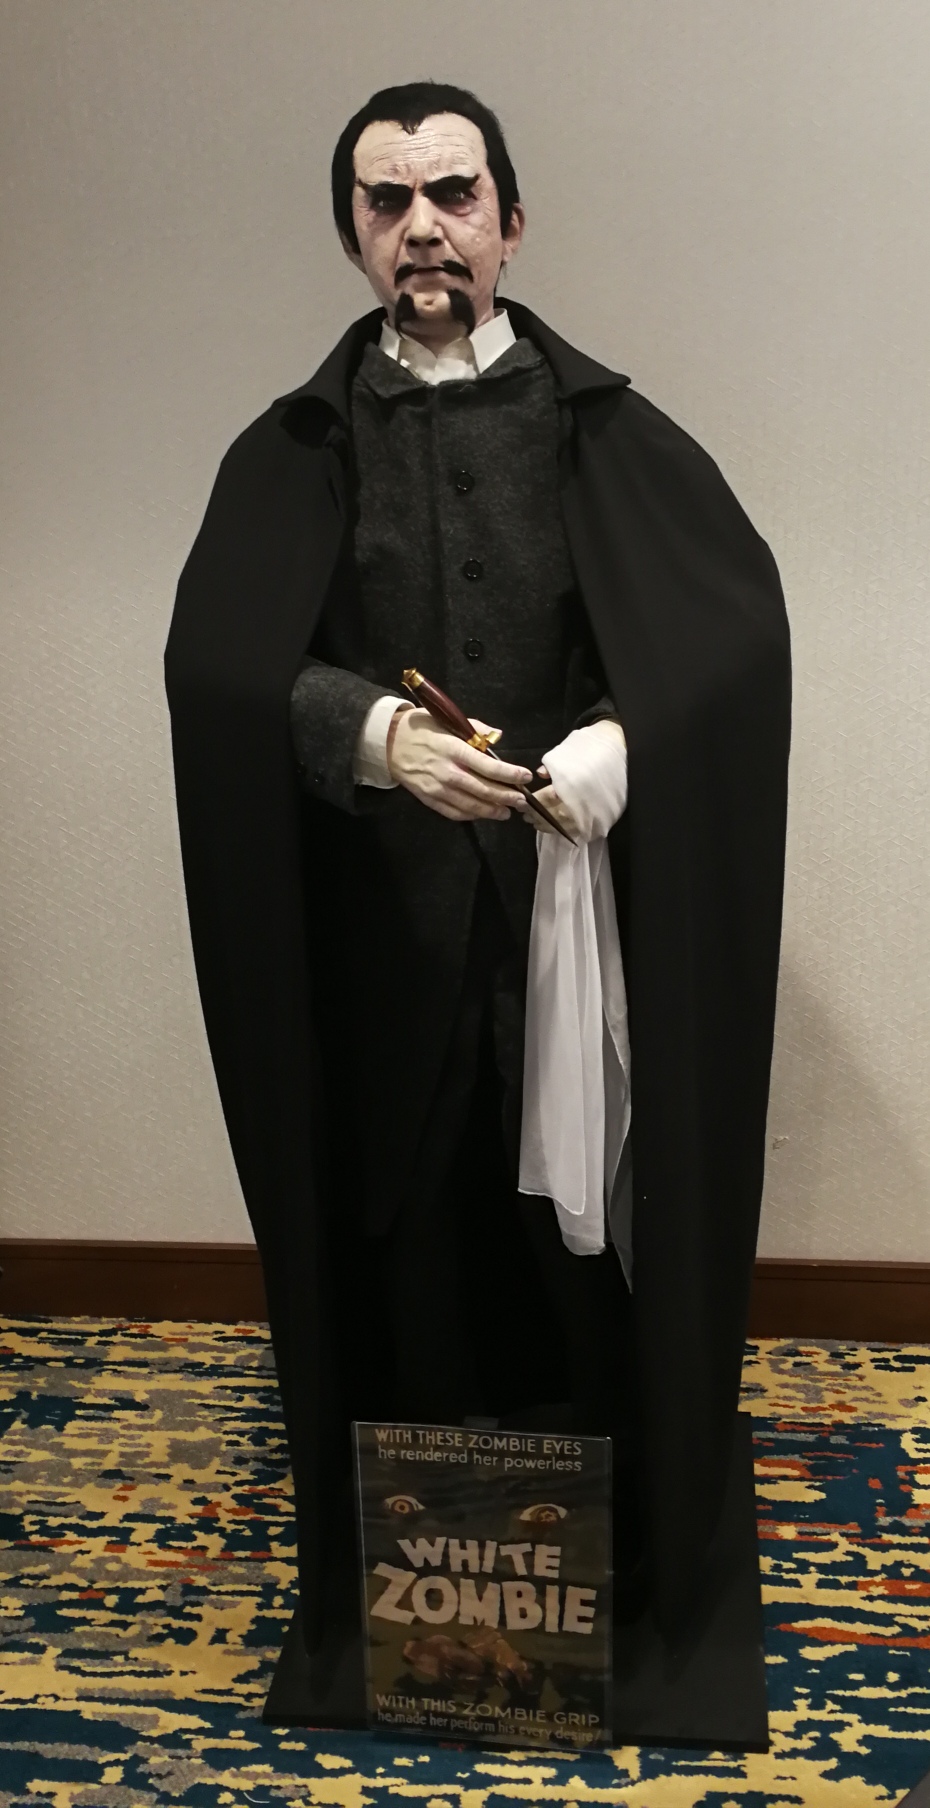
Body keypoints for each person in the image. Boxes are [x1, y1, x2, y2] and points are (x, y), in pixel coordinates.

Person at [165, 82, 790, 1695]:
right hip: (378, 937)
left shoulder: (608, 437)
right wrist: (369, 735)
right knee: (408, 1224)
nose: (423, 228)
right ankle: (427, 1548)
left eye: (452, 193)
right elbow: (224, 668)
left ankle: (615, 1550)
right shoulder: (292, 452)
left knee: (579, 1236)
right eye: (387, 202)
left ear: (511, 219)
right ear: (352, 236)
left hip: (571, 934)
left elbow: (723, 645)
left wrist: (621, 744)